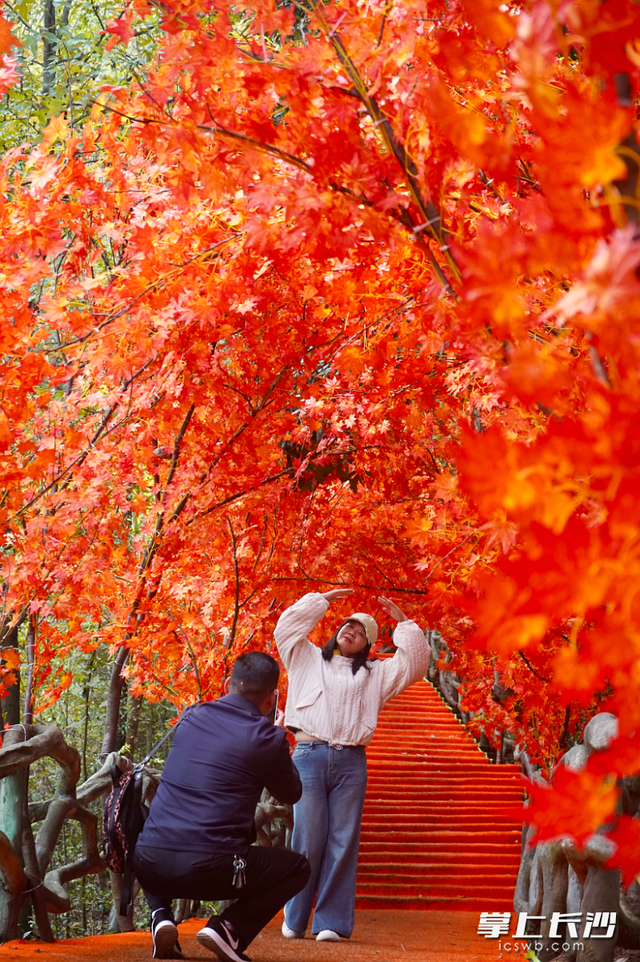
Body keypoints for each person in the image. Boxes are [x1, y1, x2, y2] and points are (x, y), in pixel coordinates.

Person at [133, 651, 310, 962]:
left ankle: (160, 914)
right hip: (213, 871)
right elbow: (292, 792)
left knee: (154, 829)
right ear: (272, 698)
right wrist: (277, 736)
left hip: (148, 864)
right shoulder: (266, 736)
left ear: (229, 683)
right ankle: (229, 928)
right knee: (298, 868)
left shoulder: (190, 717)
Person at [274, 588, 430, 942]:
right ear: (337, 630)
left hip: (351, 761)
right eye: (348, 626)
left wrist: (404, 624)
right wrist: (321, 600)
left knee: (343, 841)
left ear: (367, 647)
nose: (351, 632)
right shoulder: (306, 657)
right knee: (307, 837)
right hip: (309, 756)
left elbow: (416, 665)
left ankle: (330, 922)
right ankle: (295, 917)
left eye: (360, 633)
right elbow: (285, 627)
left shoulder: (376, 674)